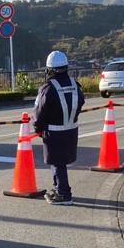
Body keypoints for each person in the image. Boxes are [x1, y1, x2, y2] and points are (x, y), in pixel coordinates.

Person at [33, 51, 85, 205]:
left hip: (54, 131)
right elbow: (80, 102)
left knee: (57, 163)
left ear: (49, 69)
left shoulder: (47, 89)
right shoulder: (75, 85)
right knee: (61, 163)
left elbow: (39, 113)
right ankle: (59, 190)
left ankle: (63, 194)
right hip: (71, 129)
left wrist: (37, 128)